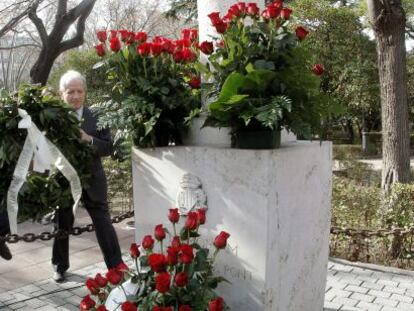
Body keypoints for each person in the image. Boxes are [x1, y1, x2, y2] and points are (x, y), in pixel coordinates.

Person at [52, 70, 123, 282]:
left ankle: (116, 266)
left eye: (79, 91)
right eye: (70, 91)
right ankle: (59, 266)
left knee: (103, 223)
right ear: (61, 94)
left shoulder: (98, 117)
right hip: (64, 179)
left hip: (94, 180)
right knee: (61, 223)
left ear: (85, 92)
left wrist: (89, 139)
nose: (75, 96)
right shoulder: (53, 118)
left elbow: (108, 147)